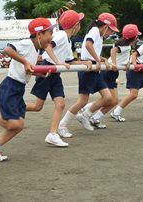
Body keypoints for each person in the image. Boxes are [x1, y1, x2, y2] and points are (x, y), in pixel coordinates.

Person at [0, 18, 54, 162]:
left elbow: (26, 70)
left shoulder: (35, 49)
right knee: (15, 124)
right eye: (50, 33)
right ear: (39, 35)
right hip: (10, 87)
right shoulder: (26, 43)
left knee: (18, 126)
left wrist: (38, 73)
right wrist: (25, 61)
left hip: (17, 89)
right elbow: (7, 49)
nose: (51, 37)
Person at [26, 10, 91, 147]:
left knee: (60, 103)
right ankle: (11, 107)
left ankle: (53, 134)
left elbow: (70, 61)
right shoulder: (61, 34)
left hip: (55, 73)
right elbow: (48, 46)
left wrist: (84, 62)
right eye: (79, 23)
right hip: (47, 70)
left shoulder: (68, 41)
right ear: (75, 25)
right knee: (37, 106)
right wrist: (57, 62)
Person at [58, 12, 119, 137]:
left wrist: (102, 59)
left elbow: (92, 50)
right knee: (82, 101)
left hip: (93, 70)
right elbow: (88, 45)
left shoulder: (98, 35)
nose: (110, 35)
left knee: (108, 97)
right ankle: (62, 125)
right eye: (110, 31)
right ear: (106, 27)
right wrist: (97, 59)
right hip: (87, 69)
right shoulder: (95, 31)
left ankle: (85, 115)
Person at [82, 24, 141, 128]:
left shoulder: (126, 45)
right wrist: (113, 63)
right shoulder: (124, 45)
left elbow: (122, 56)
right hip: (108, 72)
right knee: (111, 100)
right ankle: (88, 110)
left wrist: (127, 63)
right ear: (134, 38)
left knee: (113, 101)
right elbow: (113, 51)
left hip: (112, 73)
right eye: (137, 36)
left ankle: (94, 117)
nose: (137, 38)